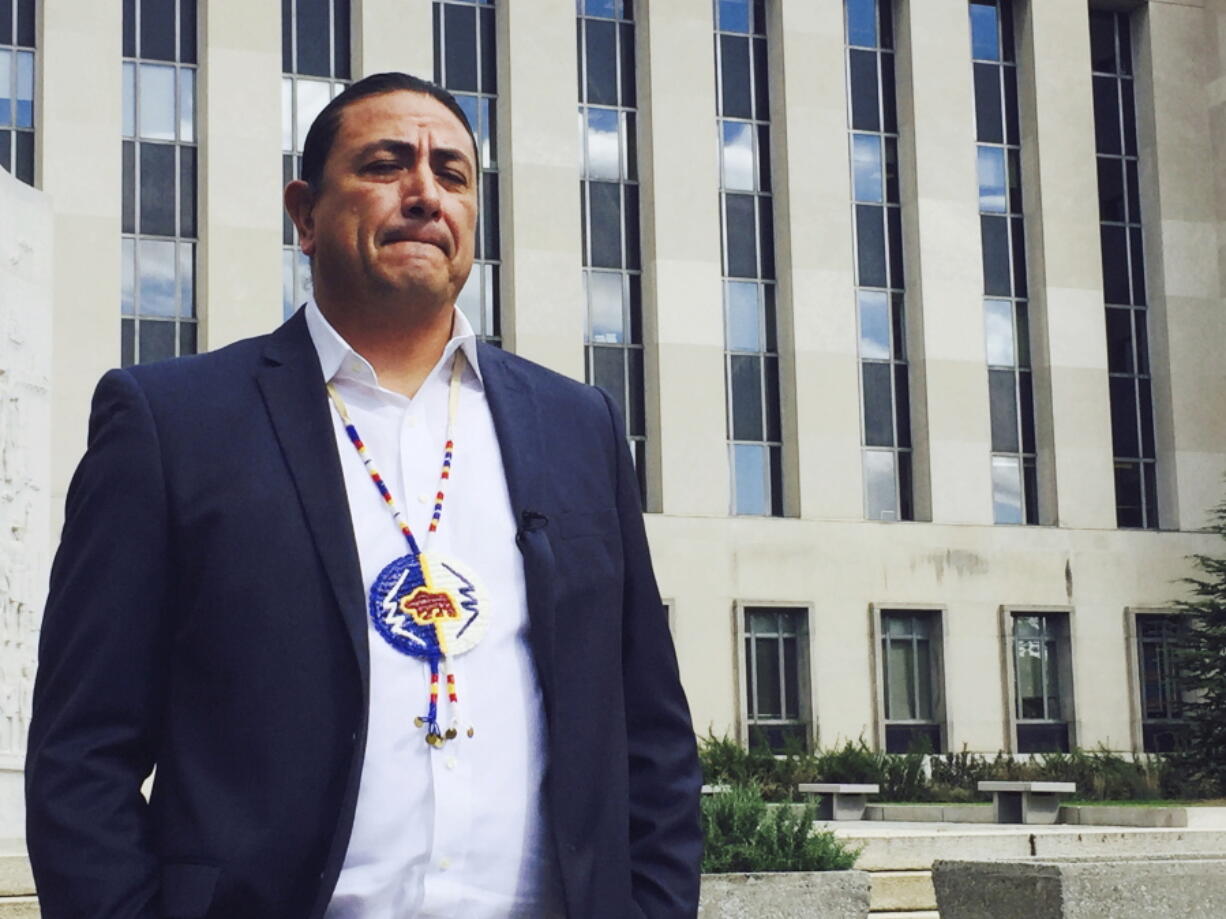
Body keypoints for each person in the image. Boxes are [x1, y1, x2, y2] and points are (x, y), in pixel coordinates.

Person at [25, 72, 702, 919]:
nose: (425, 192)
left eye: (452, 175)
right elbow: (82, 751)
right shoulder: (171, 424)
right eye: (387, 165)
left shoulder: (579, 427)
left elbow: (652, 736)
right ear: (305, 215)